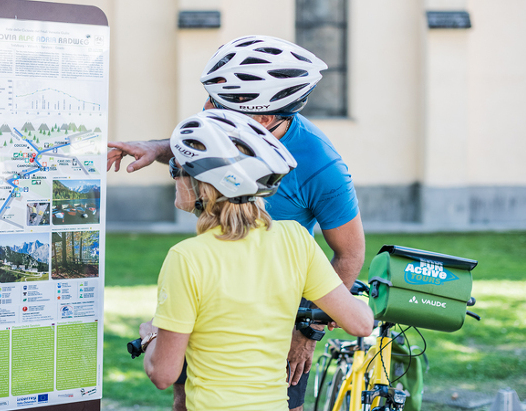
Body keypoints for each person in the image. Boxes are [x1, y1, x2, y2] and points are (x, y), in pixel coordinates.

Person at [108, 35, 365, 411]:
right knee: (185, 395)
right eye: (210, 98)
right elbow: (207, 149)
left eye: (220, 105)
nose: (206, 110)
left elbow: (350, 254)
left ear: (263, 117)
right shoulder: (195, 257)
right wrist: (157, 148)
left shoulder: (323, 168)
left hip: (277, 304)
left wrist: (306, 330)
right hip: (211, 285)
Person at [138, 110, 373, 411]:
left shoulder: (187, 258)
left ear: (203, 185)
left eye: (177, 168)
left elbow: (163, 374)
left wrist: (151, 337)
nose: (173, 174)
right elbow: (361, 323)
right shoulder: (295, 239)